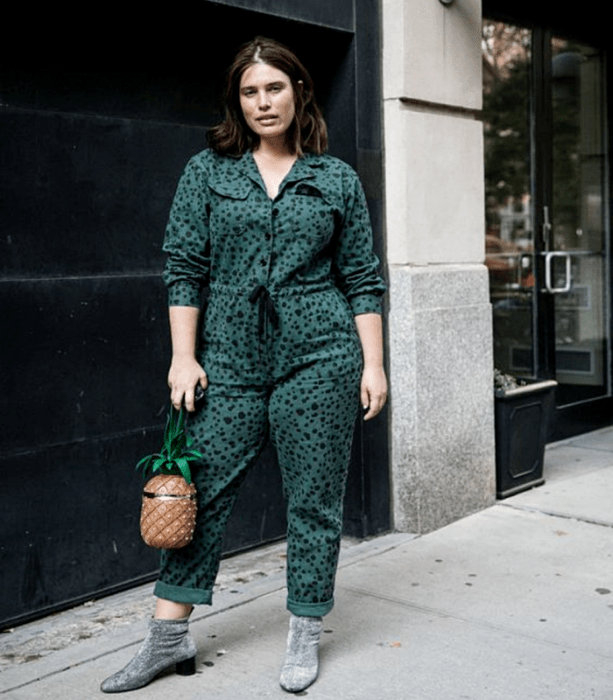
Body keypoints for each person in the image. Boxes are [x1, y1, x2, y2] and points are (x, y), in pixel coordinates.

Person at [101, 36, 387, 695]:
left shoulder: (334, 178)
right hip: (226, 360)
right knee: (195, 496)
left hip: (320, 358)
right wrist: (182, 357)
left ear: (298, 92)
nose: (262, 102)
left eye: (274, 88)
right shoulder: (208, 172)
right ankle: (167, 639)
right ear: (238, 101)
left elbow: (361, 280)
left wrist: (372, 364)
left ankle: (302, 634)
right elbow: (185, 269)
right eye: (250, 91)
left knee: (314, 503)